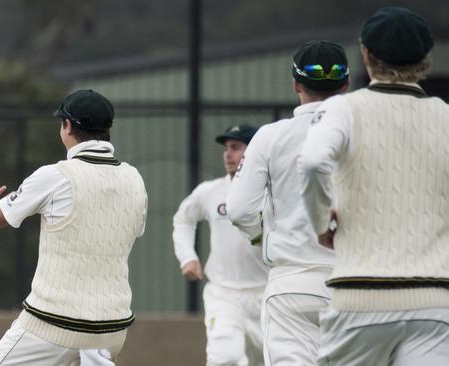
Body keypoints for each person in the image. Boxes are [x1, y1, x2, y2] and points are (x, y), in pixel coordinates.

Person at [299, 7, 449, 365]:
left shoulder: (344, 109)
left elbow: (312, 160)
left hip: (359, 298)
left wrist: (322, 223)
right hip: (434, 302)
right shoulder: (445, 114)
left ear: (366, 55)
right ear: (426, 59)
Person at [0, 89, 148, 365]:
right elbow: (131, 233)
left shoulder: (55, 176)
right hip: (112, 330)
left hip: (53, 327)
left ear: (67, 126)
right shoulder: (134, 178)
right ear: (107, 129)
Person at [225, 41, 350, 365]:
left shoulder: (270, 136)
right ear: (347, 84)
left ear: (296, 84)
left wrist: (259, 234)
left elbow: (239, 210)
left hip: (291, 284)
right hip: (354, 283)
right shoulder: (365, 133)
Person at [172, 124, 267, 366]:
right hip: (225, 293)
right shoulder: (210, 191)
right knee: (225, 357)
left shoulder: (272, 192)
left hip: (267, 294)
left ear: (254, 151)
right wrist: (188, 257)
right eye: (226, 148)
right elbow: (183, 219)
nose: (228, 154)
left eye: (236, 147)